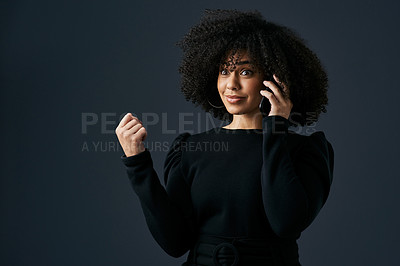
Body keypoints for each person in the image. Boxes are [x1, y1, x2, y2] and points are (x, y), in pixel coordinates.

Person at [115, 9, 334, 266]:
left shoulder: (306, 150)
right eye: (223, 71)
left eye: (245, 72)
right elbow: (174, 243)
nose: (231, 84)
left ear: (274, 79)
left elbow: (285, 222)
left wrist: (276, 128)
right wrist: (137, 164)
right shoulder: (190, 149)